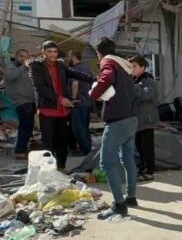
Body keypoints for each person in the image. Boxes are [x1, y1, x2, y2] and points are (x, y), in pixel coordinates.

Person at [89, 37, 140, 219]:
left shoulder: (108, 62)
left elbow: (107, 77)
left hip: (118, 120)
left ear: (98, 52)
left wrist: (94, 93)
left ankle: (119, 205)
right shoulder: (124, 64)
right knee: (128, 159)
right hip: (131, 117)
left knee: (106, 162)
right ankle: (131, 197)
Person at [28, 41, 75, 170]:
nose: (53, 54)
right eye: (49, 52)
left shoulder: (60, 65)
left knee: (63, 141)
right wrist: (60, 99)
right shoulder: (36, 66)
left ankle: (61, 167)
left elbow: (74, 73)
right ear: (43, 52)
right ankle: (48, 169)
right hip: (47, 110)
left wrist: (94, 79)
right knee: (48, 142)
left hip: (63, 111)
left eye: (55, 51)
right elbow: (41, 88)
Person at [130, 55, 160, 182]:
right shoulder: (134, 80)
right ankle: (142, 168)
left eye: (135, 66)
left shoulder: (149, 80)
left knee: (147, 147)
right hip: (137, 119)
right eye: (131, 66)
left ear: (142, 67)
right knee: (139, 146)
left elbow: (147, 95)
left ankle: (149, 171)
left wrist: (134, 87)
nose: (132, 69)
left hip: (146, 119)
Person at [3, 49, 36, 159]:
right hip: (22, 102)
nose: (23, 59)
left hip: (30, 101)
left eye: (26, 57)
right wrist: (23, 66)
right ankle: (20, 151)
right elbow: (11, 76)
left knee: (28, 126)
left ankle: (24, 148)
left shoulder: (25, 69)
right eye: (21, 56)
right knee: (25, 127)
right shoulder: (11, 67)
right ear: (16, 56)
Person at [65, 49, 95, 156]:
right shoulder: (87, 68)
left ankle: (85, 149)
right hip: (86, 101)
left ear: (73, 56)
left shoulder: (75, 69)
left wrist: (73, 98)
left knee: (78, 128)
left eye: (69, 56)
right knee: (84, 126)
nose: (67, 59)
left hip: (78, 102)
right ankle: (87, 147)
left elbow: (75, 84)